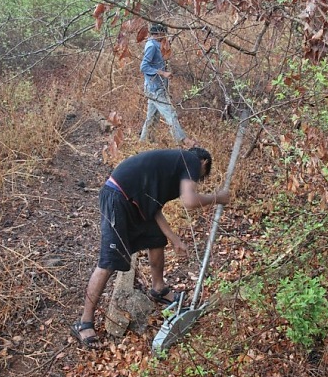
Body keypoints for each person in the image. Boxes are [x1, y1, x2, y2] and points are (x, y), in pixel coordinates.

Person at [70, 146, 229, 347]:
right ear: (204, 163)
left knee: (156, 239)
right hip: (117, 197)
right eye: (200, 176)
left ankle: (158, 288)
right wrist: (217, 197)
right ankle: (84, 324)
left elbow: (154, 209)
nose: (197, 180)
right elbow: (189, 201)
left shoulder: (170, 169)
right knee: (109, 262)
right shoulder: (190, 160)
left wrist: (174, 238)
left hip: (134, 202)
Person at [139, 23, 195, 147]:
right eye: (163, 33)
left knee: (152, 117)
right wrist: (162, 73)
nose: (165, 36)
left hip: (153, 87)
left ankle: (144, 142)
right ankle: (183, 141)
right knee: (171, 114)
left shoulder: (157, 44)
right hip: (155, 89)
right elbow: (143, 67)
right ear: (158, 33)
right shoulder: (151, 47)